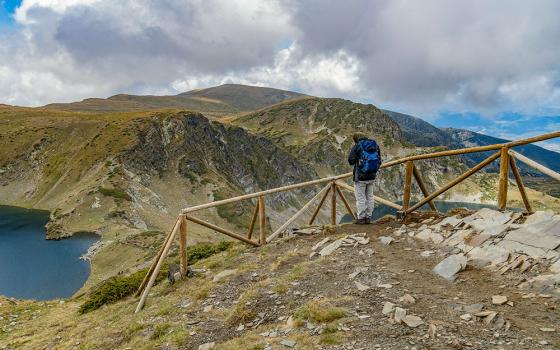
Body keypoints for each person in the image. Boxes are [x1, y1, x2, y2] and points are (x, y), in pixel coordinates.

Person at [347, 132, 382, 224]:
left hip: (361, 177)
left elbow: (351, 160)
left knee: (361, 198)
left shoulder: (358, 146)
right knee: (370, 196)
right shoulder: (374, 145)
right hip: (372, 176)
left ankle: (361, 218)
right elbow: (379, 161)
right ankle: (368, 217)